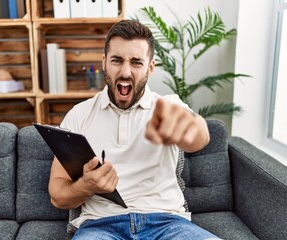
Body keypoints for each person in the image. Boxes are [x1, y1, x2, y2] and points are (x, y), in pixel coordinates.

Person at [48, 19, 220, 240]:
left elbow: (200, 136)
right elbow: (58, 196)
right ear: (104, 63)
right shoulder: (79, 115)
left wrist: (188, 128)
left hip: (168, 224)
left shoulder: (168, 106)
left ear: (150, 67)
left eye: (136, 62)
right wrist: (87, 186)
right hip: (101, 227)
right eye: (117, 60)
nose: (126, 71)